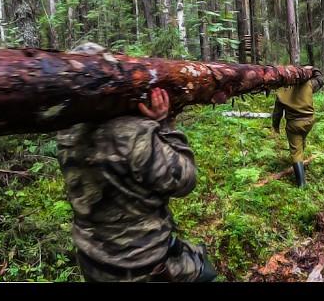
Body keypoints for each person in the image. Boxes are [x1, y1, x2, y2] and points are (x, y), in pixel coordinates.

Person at [56, 43, 217, 282]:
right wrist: (164, 123)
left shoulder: (66, 131)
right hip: (141, 265)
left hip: (92, 261)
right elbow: (185, 179)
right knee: (207, 273)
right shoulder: (130, 133)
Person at [271, 67, 324, 187]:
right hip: (309, 122)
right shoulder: (309, 84)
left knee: (296, 152)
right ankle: (301, 159)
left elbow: (277, 113)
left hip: (294, 125)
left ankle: (301, 184)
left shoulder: (281, 91)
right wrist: (314, 69)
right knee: (301, 141)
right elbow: (321, 80)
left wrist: (275, 126)